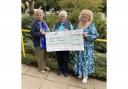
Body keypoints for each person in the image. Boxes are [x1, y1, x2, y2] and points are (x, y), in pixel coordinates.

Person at [73, 9, 98, 83]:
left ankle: (85, 76)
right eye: (83, 14)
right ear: (81, 15)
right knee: (79, 60)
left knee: (86, 61)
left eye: (86, 15)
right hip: (79, 46)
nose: (85, 16)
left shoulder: (91, 25)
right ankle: (80, 73)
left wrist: (86, 35)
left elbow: (95, 36)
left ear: (89, 16)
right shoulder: (79, 24)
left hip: (87, 47)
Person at [53, 10, 73, 77]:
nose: (62, 17)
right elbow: (52, 33)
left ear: (66, 16)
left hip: (66, 44)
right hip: (58, 44)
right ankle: (60, 70)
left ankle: (65, 71)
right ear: (59, 16)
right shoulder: (56, 24)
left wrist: (68, 31)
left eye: (63, 16)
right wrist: (55, 32)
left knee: (65, 58)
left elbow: (73, 33)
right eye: (61, 16)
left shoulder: (69, 24)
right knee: (59, 58)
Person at [31, 9, 50, 74]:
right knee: (40, 56)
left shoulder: (44, 22)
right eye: (38, 15)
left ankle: (44, 66)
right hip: (38, 43)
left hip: (45, 42)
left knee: (45, 55)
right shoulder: (34, 24)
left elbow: (47, 30)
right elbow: (33, 33)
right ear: (36, 16)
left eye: (41, 15)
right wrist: (40, 33)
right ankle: (41, 68)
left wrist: (48, 31)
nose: (40, 16)